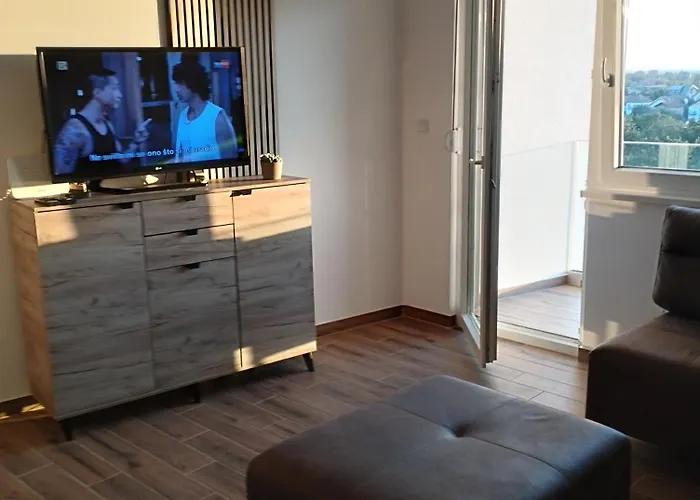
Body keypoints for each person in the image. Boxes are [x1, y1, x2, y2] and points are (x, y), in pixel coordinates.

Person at [53, 68, 151, 176]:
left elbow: (119, 160)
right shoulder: (75, 129)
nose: (120, 95)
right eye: (114, 88)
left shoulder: (106, 123)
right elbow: (61, 175)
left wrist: (135, 142)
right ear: (97, 92)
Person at [172, 59, 237, 163]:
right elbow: (180, 157)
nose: (176, 89)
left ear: (193, 83)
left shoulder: (217, 117)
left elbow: (231, 159)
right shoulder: (182, 116)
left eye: (181, 83)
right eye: (176, 83)